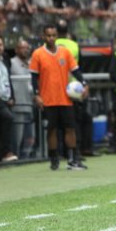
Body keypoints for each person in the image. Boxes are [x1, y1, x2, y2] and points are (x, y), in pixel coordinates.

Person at [30, 24, 89, 170]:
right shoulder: (38, 54)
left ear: (57, 36)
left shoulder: (65, 52)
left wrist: (85, 84)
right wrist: (36, 95)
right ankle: (54, 158)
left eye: (53, 35)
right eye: (48, 35)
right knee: (52, 130)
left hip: (65, 98)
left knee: (70, 128)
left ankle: (73, 159)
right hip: (48, 99)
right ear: (43, 36)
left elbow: (76, 71)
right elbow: (33, 77)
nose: (51, 38)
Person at [55, 20, 96, 157]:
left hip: (55, 88)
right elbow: (78, 67)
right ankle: (75, 151)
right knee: (74, 120)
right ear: (67, 32)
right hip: (72, 88)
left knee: (57, 122)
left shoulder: (49, 45)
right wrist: (83, 83)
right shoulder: (74, 45)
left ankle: (59, 152)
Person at [10, 39, 36, 158]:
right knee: (17, 136)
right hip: (18, 105)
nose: (25, 50)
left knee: (30, 136)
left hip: (30, 104)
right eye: (22, 47)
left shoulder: (32, 62)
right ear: (16, 49)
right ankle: (16, 156)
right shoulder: (11, 63)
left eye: (27, 48)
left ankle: (26, 157)